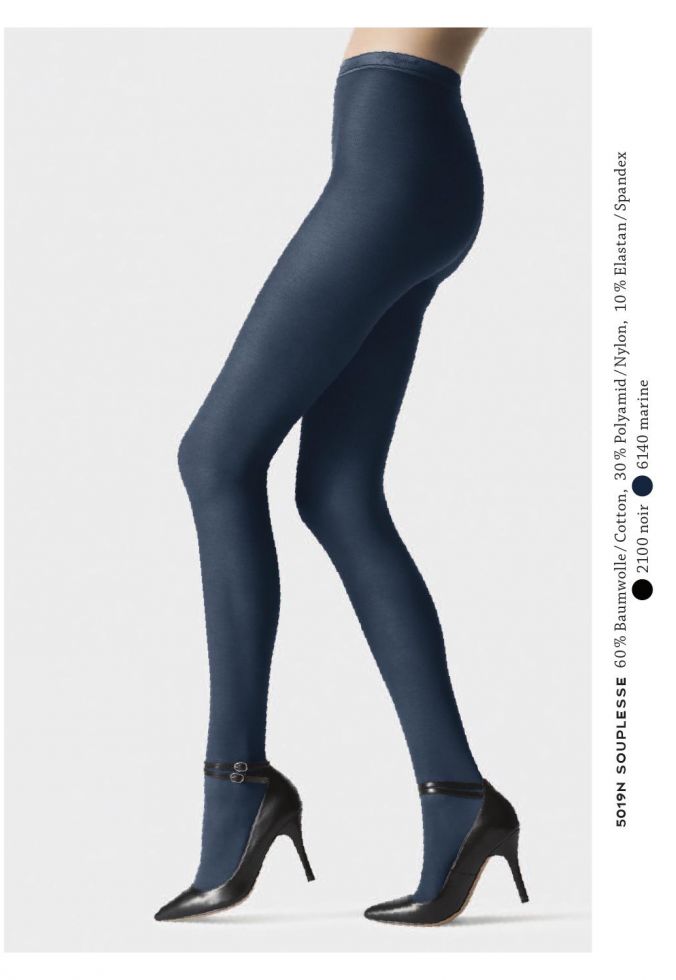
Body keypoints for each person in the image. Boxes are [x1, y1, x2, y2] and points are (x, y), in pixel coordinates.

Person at [155, 27, 528, 926]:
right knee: (338, 494)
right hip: (410, 160)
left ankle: (238, 781)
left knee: (215, 457)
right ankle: (459, 798)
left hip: (391, 168)